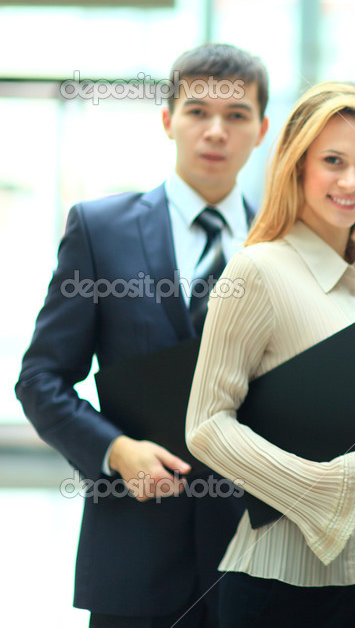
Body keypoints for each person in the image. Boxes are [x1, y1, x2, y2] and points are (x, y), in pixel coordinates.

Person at [16, 43, 270, 627]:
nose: (215, 131)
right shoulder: (100, 230)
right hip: (134, 554)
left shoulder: (282, 245)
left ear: (260, 130)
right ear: (167, 120)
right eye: (197, 111)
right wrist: (114, 451)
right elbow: (41, 379)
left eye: (236, 116)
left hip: (257, 559)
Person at [185, 81, 355, 628]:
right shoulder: (256, 270)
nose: (351, 182)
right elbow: (205, 425)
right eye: (333, 161)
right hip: (284, 588)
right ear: (298, 165)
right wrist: (322, 485)